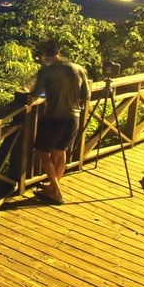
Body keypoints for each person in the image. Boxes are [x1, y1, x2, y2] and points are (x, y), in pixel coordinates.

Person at [28, 40, 90, 204]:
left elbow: (34, 95)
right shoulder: (78, 69)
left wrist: (28, 95)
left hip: (54, 118)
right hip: (73, 119)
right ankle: (52, 187)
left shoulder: (46, 71)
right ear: (59, 53)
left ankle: (57, 192)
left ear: (43, 56)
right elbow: (86, 95)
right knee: (60, 151)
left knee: (42, 152)